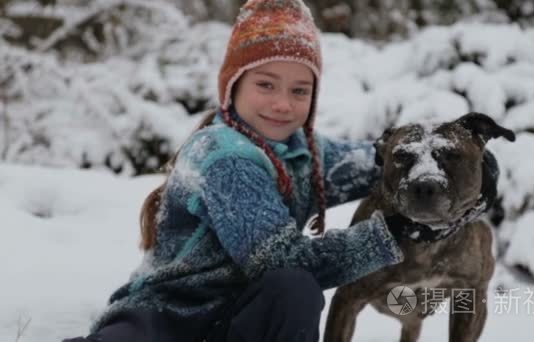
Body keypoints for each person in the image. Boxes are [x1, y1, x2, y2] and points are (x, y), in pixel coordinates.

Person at [63, 0, 499, 341]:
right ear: (232, 87)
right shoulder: (224, 158)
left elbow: (379, 160)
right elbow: (279, 259)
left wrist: (462, 165)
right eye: (265, 85)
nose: (282, 103)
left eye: (299, 90)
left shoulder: (302, 152)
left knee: (292, 293)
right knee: (292, 280)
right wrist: (388, 236)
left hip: (244, 322)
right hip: (169, 317)